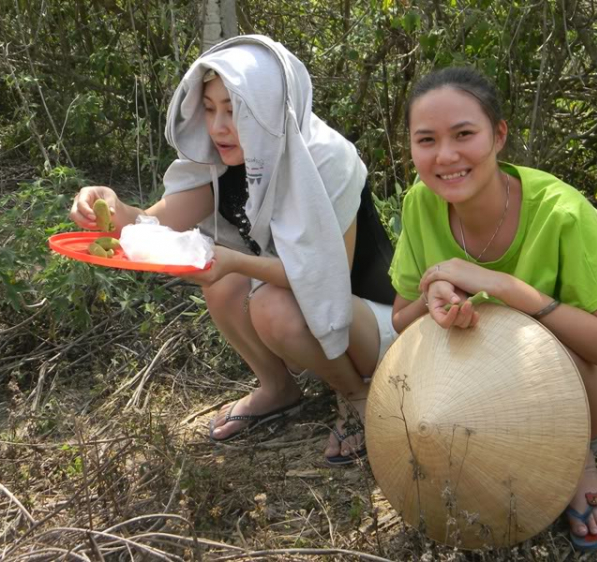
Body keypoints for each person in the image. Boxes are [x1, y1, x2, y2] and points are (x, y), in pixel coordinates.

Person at [70, 35, 397, 465]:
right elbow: (152, 225)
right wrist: (110, 208)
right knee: (227, 286)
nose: (219, 126)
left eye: (235, 109)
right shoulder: (222, 160)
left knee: (267, 302)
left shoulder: (326, 159)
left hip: (376, 323)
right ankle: (278, 389)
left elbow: (325, 277)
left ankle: (357, 394)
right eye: (210, 109)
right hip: (311, 314)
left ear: (268, 107)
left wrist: (237, 262)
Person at [389, 67, 597, 552]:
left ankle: (577, 465)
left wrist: (504, 287)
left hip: (595, 395)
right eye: (426, 140)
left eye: (464, 134)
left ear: (499, 135)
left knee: (537, 340)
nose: (445, 156)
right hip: (491, 397)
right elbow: (401, 323)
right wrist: (436, 291)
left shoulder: (562, 212)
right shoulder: (420, 204)